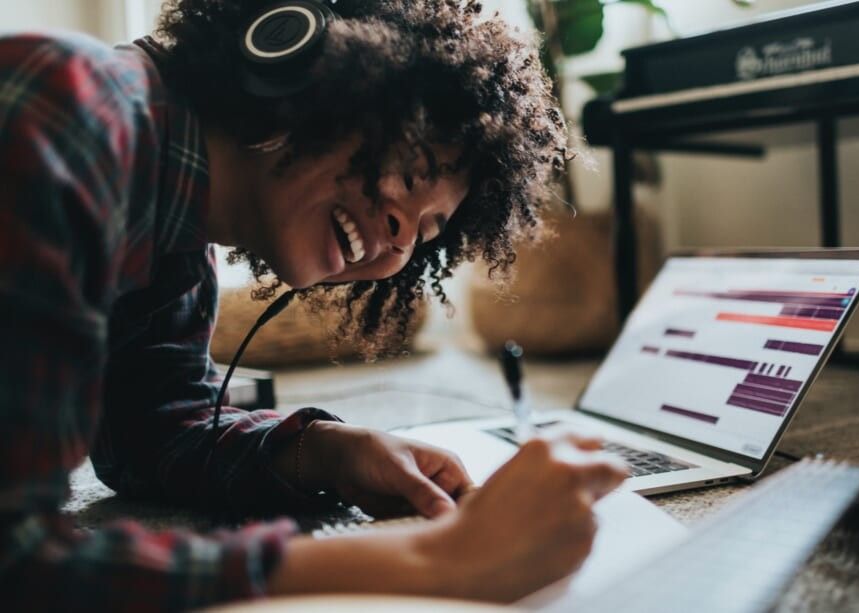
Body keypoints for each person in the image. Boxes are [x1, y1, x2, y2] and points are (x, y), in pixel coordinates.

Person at [0, 0, 628, 610]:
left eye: (426, 233)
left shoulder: (177, 245)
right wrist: (436, 563)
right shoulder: (71, 110)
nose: (400, 234)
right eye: (407, 174)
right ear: (299, 66)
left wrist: (324, 451)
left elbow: (151, 434)